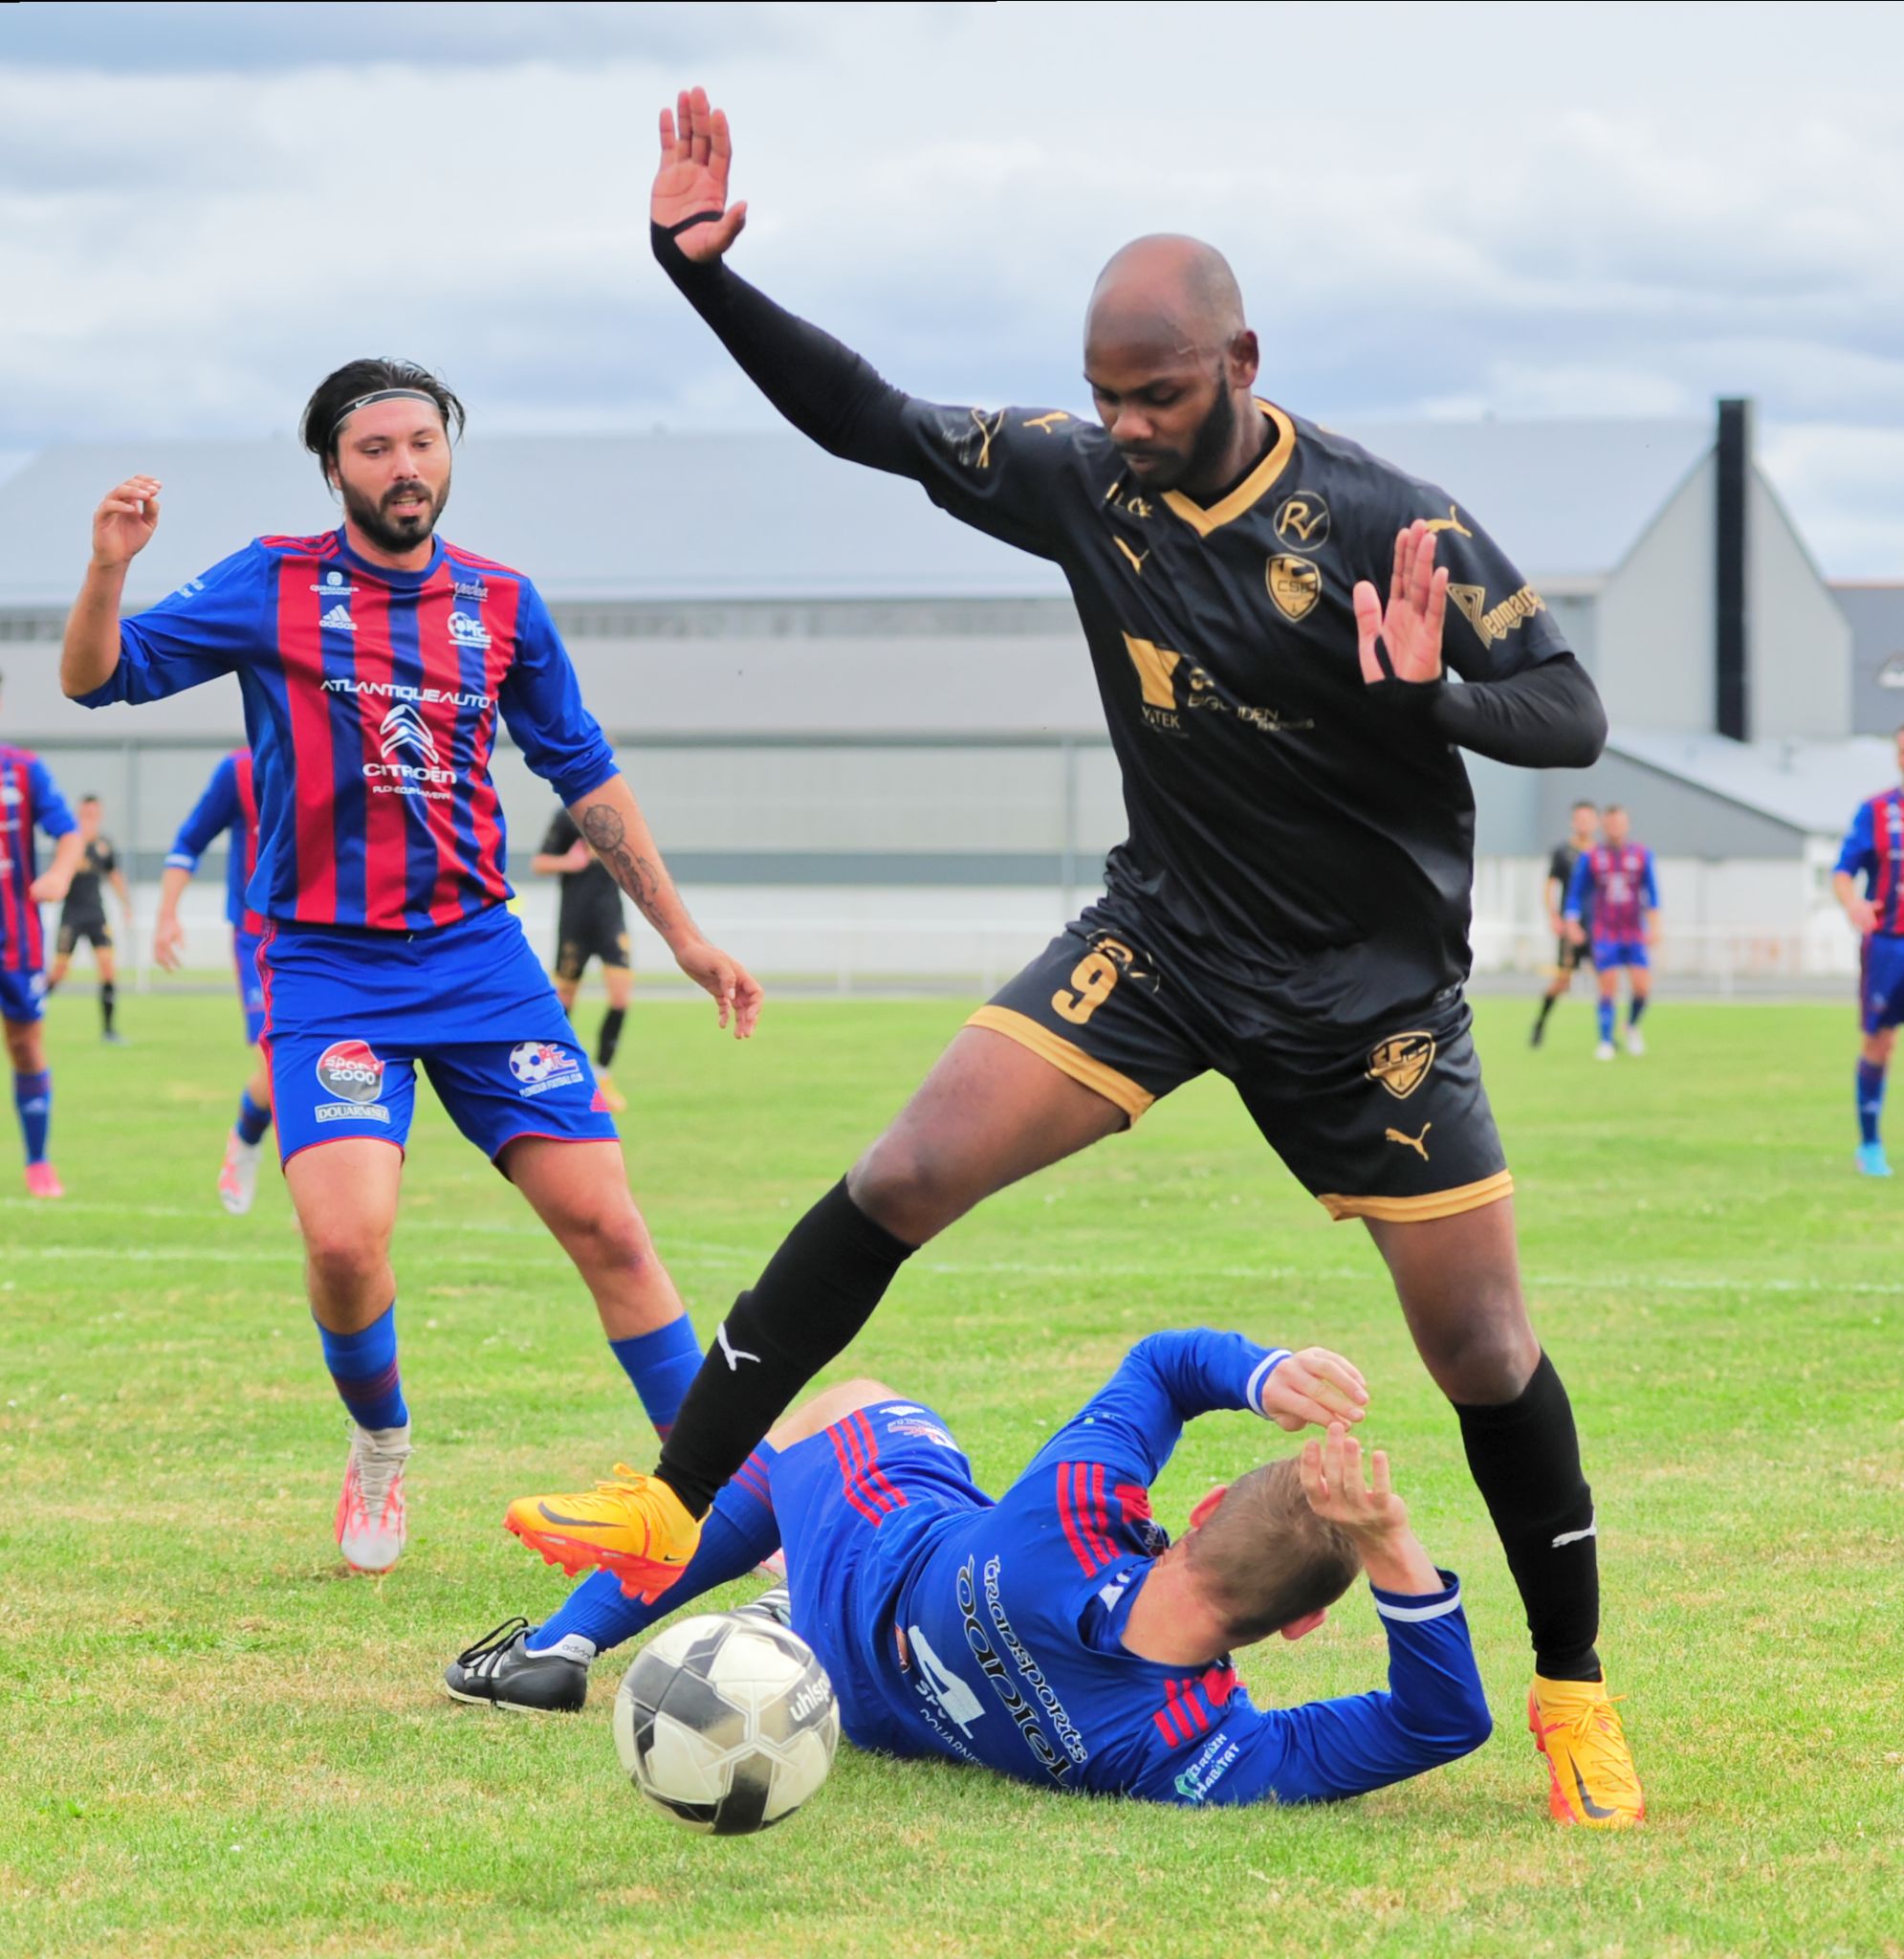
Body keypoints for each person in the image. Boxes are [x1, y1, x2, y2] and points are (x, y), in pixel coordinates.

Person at [507, 89, 1641, 1830]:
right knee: (903, 1168)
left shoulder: (1375, 514)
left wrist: (1431, 696)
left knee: (1483, 1351)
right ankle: (668, 1505)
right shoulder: (1083, 478)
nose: (1123, 424)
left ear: (1239, 359)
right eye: (1106, 393)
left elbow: (1568, 712)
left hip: (1365, 1001)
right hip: (1167, 937)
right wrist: (704, 282)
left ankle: (1572, 1690)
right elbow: (872, 423)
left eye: (1159, 393)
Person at [60, 360, 763, 1576]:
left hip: (480, 958)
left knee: (608, 1221)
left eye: (421, 442)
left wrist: (683, 934)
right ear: (334, 467)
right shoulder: (273, 581)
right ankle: (381, 1444)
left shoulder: (501, 601)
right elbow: (94, 675)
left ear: (448, 454)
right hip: (328, 963)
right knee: (344, 1242)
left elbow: (583, 774)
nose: (404, 467)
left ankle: (718, 1506)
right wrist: (109, 565)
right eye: (374, 448)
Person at [461, 1331, 1517, 1814]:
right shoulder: (1188, 1753)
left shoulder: (1074, 1509)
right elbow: (1439, 1722)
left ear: (1190, 1514)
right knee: (905, 1492)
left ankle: (563, 1639)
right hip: (880, 1715)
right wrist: (1388, 1549)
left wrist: (1260, 1372)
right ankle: (777, 1594)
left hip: (878, 1574)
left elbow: (1159, 1363)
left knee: (848, 1402)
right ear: (1297, 1625)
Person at [151, 747, 276, 1214]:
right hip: (258, 938)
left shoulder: (343, 752)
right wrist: (166, 917)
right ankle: (245, 1142)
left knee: (325, 1064)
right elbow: (188, 843)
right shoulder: (240, 770)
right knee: (276, 1055)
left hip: (329, 937)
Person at [0, 672, 83, 1197]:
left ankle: (38, 1161)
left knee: (26, 1046)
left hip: (16, 939)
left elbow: (69, 834)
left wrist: (58, 874)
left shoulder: (23, 768)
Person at [1832, 724, 1904, 1178]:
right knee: (1880, 1040)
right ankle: (1870, 1144)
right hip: (1887, 945)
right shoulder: (1876, 810)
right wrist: (1853, 902)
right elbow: (1842, 872)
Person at [534, 801, 634, 1113]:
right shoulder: (565, 815)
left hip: (610, 920)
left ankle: (603, 1075)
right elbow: (540, 863)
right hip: (575, 920)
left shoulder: (618, 812)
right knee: (564, 999)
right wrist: (569, 862)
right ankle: (557, 1075)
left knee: (620, 996)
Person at [1564, 806, 1658, 1061]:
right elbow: (1575, 894)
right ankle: (1606, 1041)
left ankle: (1631, 1026)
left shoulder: (1641, 855)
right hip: (1605, 931)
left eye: (1619, 823)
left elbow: (1652, 893)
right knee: (1608, 987)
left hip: (1634, 931)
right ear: (1604, 826)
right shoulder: (1591, 857)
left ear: (1626, 825)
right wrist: (1572, 923)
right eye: (1611, 823)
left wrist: (1655, 925)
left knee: (1642, 987)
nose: (1615, 828)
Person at [45, 794, 133, 1044]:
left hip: (96, 914)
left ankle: (109, 1030)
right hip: (71, 916)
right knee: (59, 971)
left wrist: (126, 905)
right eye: (85, 814)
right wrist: (79, 843)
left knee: (108, 969)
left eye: (94, 814)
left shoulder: (105, 844)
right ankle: (31, 1012)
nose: (90, 818)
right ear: (78, 814)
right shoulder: (69, 842)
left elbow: (114, 875)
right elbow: (60, 872)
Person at [1530, 801, 1597, 1047]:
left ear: (1595, 822)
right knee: (1563, 980)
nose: (1584, 824)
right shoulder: (1562, 852)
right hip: (1570, 926)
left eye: (1588, 819)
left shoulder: (1600, 853)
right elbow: (1550, 885)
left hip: (1596, 926)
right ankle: (1540, 1023)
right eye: (1579, 819)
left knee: (1606, 978)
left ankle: (1608, 1036)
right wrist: (1553, 916)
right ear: (1573, 821)